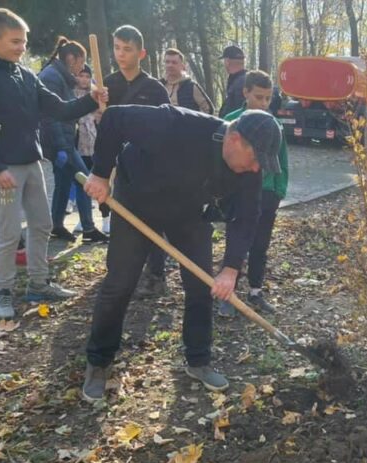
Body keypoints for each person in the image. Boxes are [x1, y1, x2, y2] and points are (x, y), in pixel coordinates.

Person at [81, 105, 281, 402]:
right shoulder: (177, 124)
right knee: (120, 283)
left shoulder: (250, 170)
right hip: (136, 202)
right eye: (254, 159)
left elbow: (247, 216)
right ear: (235, 139)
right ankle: (99, 362)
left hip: (188, 212)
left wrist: (230, 268)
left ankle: (198, 360)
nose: (256, 169)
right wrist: (100, 174)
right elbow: (114, 119)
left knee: (201, 285)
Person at [0, 7, 106, 319]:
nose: (22, 47)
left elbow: (59, 109)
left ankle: (39, 283)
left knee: (43, 224)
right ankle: (3, 291)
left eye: (24, 41)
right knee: (9, 233)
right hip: (4, 166)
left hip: (32, 161)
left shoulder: (26, 75)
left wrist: (91, 98)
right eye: (15, 41)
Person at [104, 25, 170, 296]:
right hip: (120, 166)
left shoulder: (154, 89)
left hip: (149, 166)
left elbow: (167, 128)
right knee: (120, 219)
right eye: (117, 48)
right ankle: (118, 274)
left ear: (141, 53)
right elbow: (102, 126)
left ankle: (156, 275)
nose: (121, 54)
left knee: (152, 220)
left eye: (128, 49)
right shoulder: (108, 85)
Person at [219, 70, 288, 317]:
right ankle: (228, 295)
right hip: (239, 194)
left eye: (268, 98)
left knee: (260, 244)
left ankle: (256, 291)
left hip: (267, 193)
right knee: (236, 241)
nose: (264, 103)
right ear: (245, 93)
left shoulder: (273, 126)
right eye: (259, 97)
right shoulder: (231, 122)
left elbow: (282, 161)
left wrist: (279, 190)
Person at [39, 36, 107, 243]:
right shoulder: (52, 77)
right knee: (85, 180)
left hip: (64, 139)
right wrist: (61, 146)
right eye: (81, 61)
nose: (83, 66)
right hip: (60, 141)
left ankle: (57, 225)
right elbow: (51, 115)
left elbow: (68, 109)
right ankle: (88, 228)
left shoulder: (60, 76)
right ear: (71, 58)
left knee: (63, 182)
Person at [72, 64, 100, 232]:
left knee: (97, 179)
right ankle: (84, 219)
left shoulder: (96, 94)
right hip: (78, 143)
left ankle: (104, 217)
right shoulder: (70, 93)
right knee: (82, 182)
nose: (83, 79)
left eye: (87, 76)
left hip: (95, 143)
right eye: (81, 75)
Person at [160, 47, 214, 114]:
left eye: (174, 62)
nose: (170, 65)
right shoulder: (160, 86)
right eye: (167, 62)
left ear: (182, 66)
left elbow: (209, 109)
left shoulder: (191, 86)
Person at [218, 44, 246, 118]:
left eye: (224, 61)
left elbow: (239, 111)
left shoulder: (239, 83)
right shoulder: (246, 79)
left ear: (227, 61)